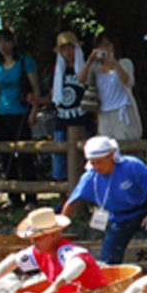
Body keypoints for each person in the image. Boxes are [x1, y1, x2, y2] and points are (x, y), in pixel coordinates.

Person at [61, 136, 147, 265]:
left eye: (99, 162)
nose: (96, 167)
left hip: (144, 211)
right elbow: (72, 202)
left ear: (110, 156)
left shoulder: (131, 165)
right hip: (118, 219)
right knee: (108, 261)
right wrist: (59, 229)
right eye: (92, 163)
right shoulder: (89, 177)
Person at [0, 207, 108, 293]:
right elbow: (14, 261)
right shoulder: (38, 252)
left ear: (54, 235)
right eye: (32, 239)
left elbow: (79, 264)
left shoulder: (69, 251)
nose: (33, 242)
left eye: (38, 238)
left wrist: (51, 290)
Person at [0, 29, 41, 210]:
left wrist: (34, 111)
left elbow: (35, 88)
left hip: (21, 113)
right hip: (3, 114)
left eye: (6, 41)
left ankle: (31, 198)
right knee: (6, 156)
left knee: (25, 155)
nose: (3, 45)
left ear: (13, 42)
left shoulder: (25, 62)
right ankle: (13, 198)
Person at [49, 31, 92, 182]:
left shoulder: (86, 69)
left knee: (86, 158)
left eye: (70, 47)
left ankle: (86, 197)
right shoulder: (57, 73)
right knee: (59, 157)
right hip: (62, 119)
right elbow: (52, 96)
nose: (67, 52)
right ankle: (63, 198)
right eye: (64, 48)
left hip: (83, 119)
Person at [81, 33, 141, 140]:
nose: (105, 49)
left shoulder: (125, 63)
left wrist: (115, 64)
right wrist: (89, 61)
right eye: (101, 46)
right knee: (108, 147)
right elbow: (81, 79)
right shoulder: (95, 68)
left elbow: (128, 82)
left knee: (127, 146)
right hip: (104, 114)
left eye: (108, 45)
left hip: (122, 111)